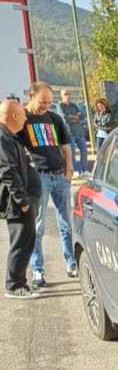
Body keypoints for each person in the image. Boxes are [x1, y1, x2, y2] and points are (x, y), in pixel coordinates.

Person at [19, 82, 77, 287]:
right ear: (30, 96)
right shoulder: (22, 120)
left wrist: (69, 172)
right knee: (38, 226)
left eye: (50, 102)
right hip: (38, 178)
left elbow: (66, 149)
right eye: (43, 102)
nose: (46, 106)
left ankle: (72, 264)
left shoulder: (55, 118)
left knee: (66, 225)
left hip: (61, 176)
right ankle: (37, 270)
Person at [0, 100, 42, 299]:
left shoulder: (10, 136)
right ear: (14, 116)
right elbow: (8, 172)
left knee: (27, 242)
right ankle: (13, 285)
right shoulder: (2, 137)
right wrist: (24, 202)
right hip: (17, 204)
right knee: (21, 243)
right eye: (23, 115)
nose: (26, 118)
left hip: (25, 201)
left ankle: (21, 283)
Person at [57, 89, 89, 177]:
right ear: (61, 96)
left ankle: (85, 170)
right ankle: (75, 170)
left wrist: (72, 117)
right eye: (65, 94)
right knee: (72, 153)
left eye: (69, 94)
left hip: (79, 132)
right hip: (69, 133)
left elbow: (82, 116)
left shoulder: (74, 105)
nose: (67, 96)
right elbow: (65, 119)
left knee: (84, 150)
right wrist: (76, 117)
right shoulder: (60, 106)